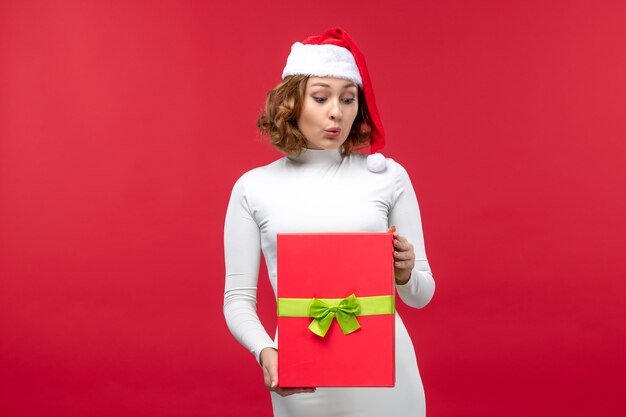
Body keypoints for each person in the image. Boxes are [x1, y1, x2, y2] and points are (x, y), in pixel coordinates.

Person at [223, 27, 435, 417]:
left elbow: (421, 295)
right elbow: (237, 300)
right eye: (321, 98)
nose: (337, 111)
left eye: (349, 99)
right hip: (303, 381)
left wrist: (405, 273)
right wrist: (265, 351)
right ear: (292, 103)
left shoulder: (387, 176)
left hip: (389, 378)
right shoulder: (253, 188)